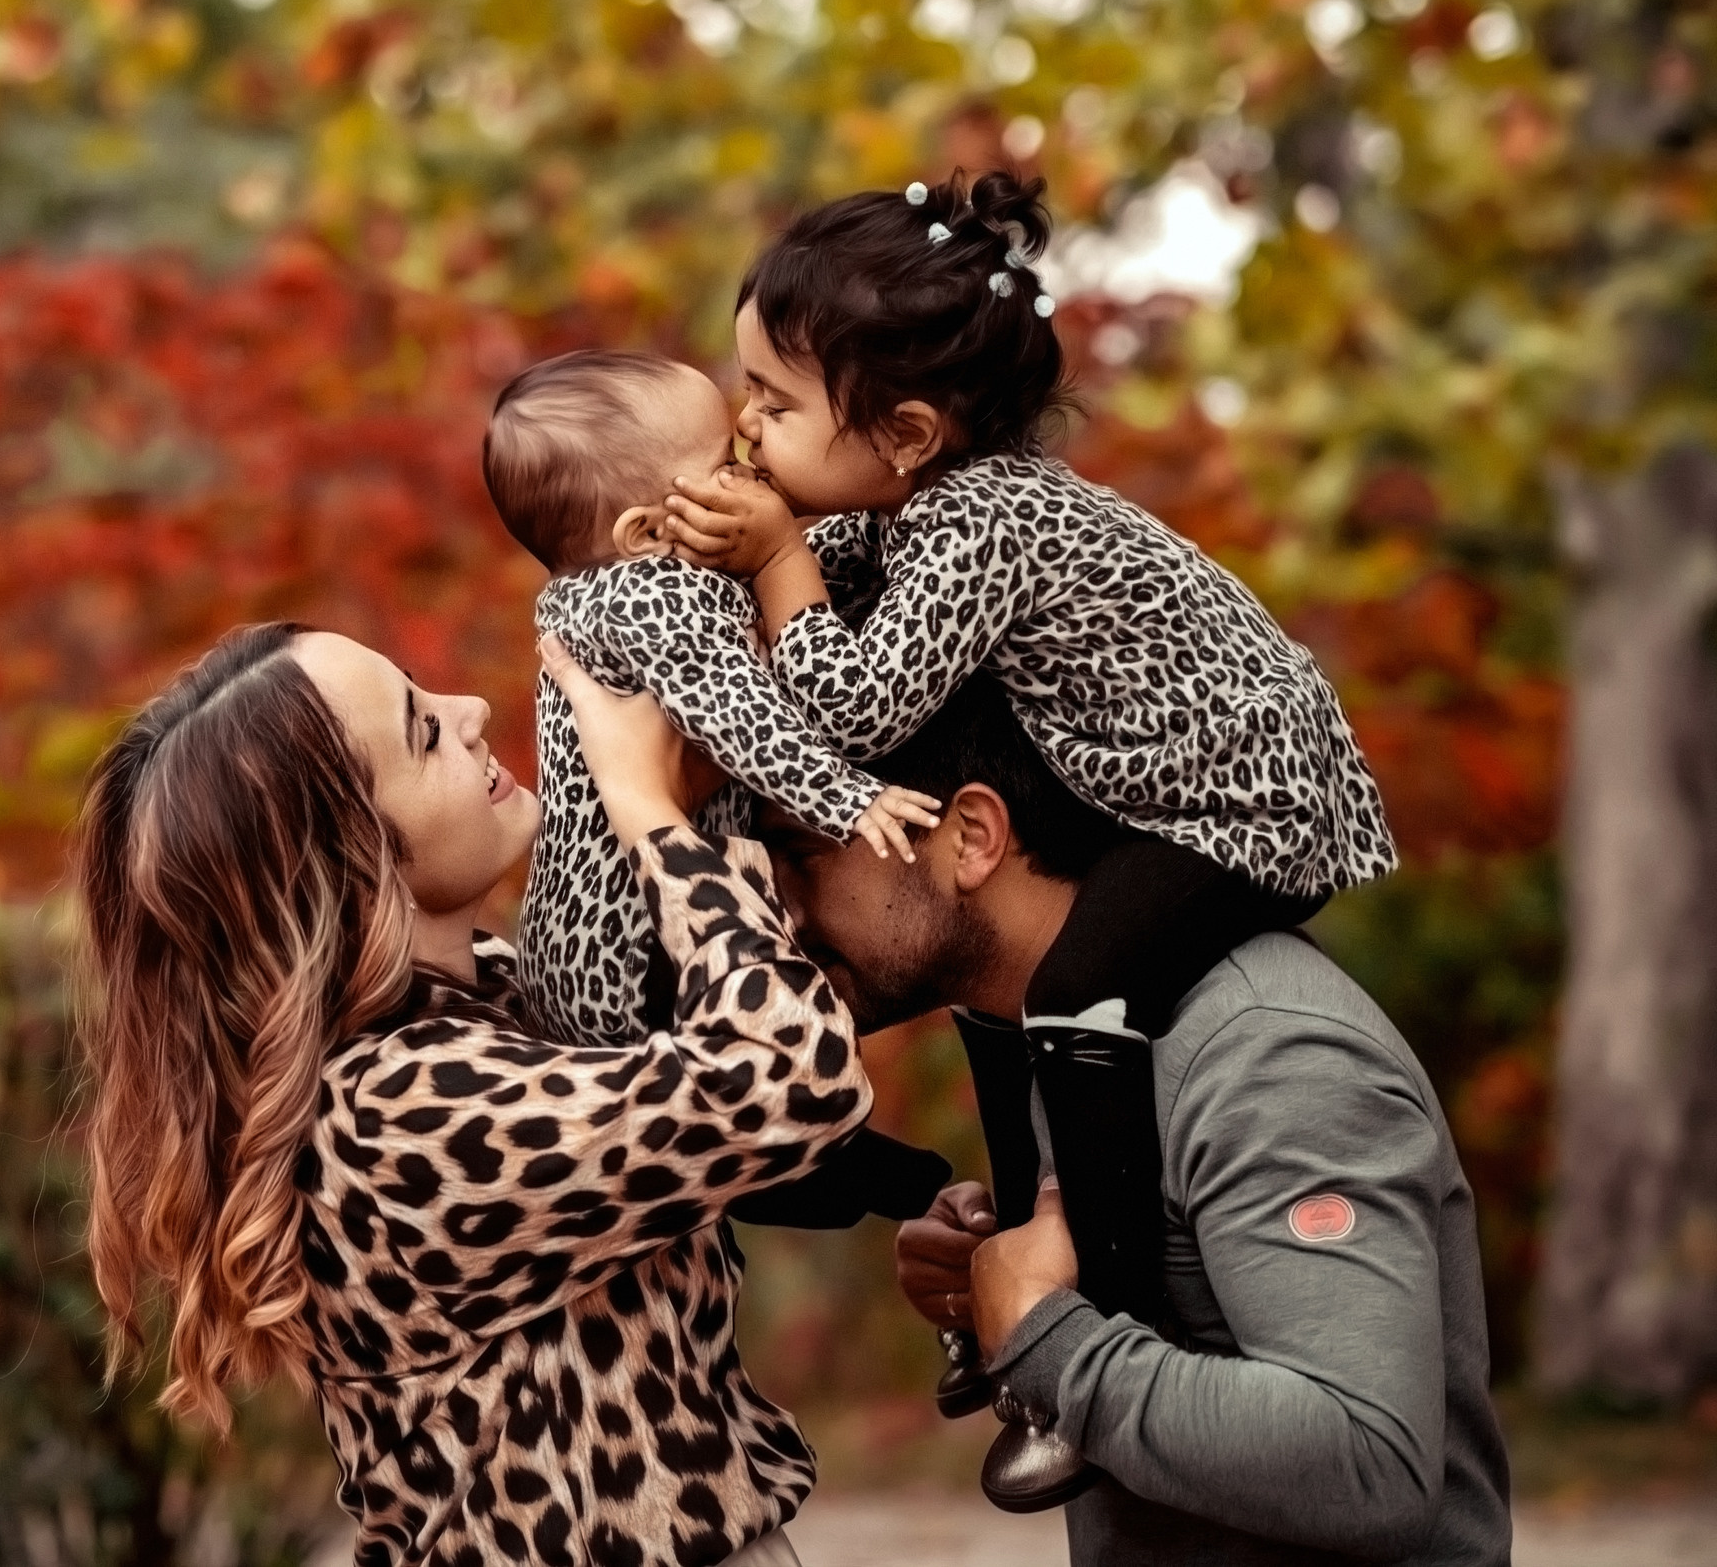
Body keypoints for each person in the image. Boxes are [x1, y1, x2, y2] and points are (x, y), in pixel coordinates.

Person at [659, 170, 1399, 1490]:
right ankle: (1012, 1281)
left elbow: (851, 691)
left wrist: (771, 560)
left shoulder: (985, 516)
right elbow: (782, 644)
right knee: (1000, 1017)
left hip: (1240, 801)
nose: (746, 432)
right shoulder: (903, 518)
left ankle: (1091, 1333)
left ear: (904, 432)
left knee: (1072, 995)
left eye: (771, 403)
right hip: (1150, 782)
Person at [74, 620, 896, 1567]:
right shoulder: (395, 1113)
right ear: (355, 864)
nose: (471, 712)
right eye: (423, 733)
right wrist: (649, 812)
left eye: (427, 692)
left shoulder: (487, 1008)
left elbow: (706, 1144)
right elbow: (792, 1076)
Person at [760, 670, 1510, 1565]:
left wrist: (1049, 1335)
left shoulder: (1265, 1054)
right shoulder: (1069, 1048)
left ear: (971, 836)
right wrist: (997, 1277)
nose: (781, 908)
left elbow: (1371, 1462)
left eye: (805, 851)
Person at [481, 347, 940, 1047]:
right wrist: (848, 798)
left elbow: (797, 573)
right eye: (723, 466)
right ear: (644, 533)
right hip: (629, 952)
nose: (750, 469)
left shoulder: (623, 587)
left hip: (616, 936)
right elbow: (739, 718)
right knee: (753, 1059)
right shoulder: (649, 596)